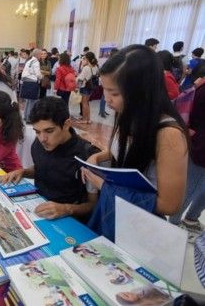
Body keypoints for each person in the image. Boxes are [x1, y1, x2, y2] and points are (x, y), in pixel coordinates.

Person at [83, 44, 188, 219]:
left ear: (142, 91)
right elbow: (121, 151)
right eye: (105, 91)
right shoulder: (127, 113)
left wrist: (105, 187)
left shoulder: (169, 134)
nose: (107, 99)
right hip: (116, 210)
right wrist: (98, 157)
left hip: (141, 221)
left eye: (114, 93)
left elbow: (171, 205)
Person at [0, 97, 99, 221]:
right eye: (37, 132)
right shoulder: (38, 144)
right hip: (37, 208)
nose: (42, 138)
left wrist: (66, 209)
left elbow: (93, 204)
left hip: (71, 221)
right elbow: (43, 168)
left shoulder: (87, 156)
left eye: (49, 131)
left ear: (66, 124)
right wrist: (23, 172)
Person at [169, 63, 205, 239]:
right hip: (201, 150)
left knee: (199, 187)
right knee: (192, 187)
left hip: (197, 145)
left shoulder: (200, 85)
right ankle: (173, 226)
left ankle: (191, 219)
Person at [76, 52, 99, 124]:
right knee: (87, 103)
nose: (83, 60)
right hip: (91, 87)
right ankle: (88, 119)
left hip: (85, 87)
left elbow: (80, 79)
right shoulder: (95, 66)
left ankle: (84, 119)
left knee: (84, 104)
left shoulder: (86, 68)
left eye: (84, 58)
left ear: (88, 59)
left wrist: (77, 87)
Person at [22, 48, 43, 122]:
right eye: (41, 54)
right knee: (32, 102)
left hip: (26, 82)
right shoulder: (36, 62)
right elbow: (37, 74)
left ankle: (25, 116)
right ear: (37, 54)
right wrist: (42, 77)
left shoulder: (29, 61)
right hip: (32, 83)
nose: (41, 56)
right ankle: (29, 118)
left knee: (28, 101)